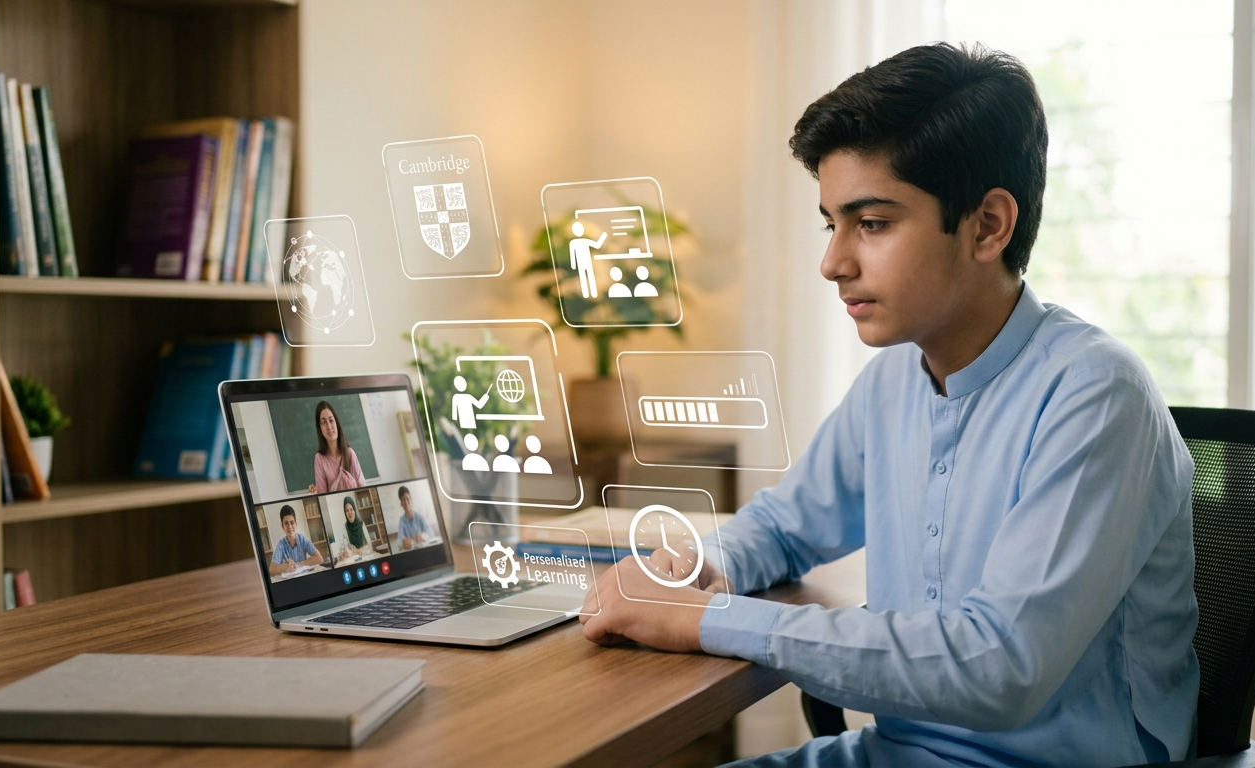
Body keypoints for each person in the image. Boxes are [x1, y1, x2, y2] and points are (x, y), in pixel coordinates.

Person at [578, 43, 1198, 768]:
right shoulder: (894, 380)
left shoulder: (1096, 393)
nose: (834, 262)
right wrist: (703, 563)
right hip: (894, 752)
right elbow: (785, 527)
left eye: (871, 223)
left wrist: (707, 619)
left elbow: (999, 668)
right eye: (830, 224)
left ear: (988, 226)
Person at [310, 401, 364, 494]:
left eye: (331, 420)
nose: (329, 426)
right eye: (323, 422)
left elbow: (363, 488)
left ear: (337, 423)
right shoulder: (320, 459)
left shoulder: (349, 454)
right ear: (320, 428)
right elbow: (322, 495)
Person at [269, 505, 323, 576]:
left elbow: (319, 559)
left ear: (296, 524)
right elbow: (271, 569)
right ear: (282, 526)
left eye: (292, 522)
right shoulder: (281, 544)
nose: (289, 527)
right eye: (286, 523)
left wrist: (297, 564)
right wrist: (286, 567)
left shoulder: (303, 539)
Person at [568, 221, 607, 299]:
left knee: (590, 277)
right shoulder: (573, 243)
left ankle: (593, 293)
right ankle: (588, 294)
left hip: (588, 263)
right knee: (584, 279)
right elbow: (572, 255)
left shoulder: (585, 241)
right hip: (581, 265)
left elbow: (597, 245)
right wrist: (573, 266)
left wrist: (603, 237)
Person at [395, 485, 432, 550]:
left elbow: (430, 533)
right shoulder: (402, 521)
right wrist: (404, 542)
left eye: (407, 499)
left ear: (411, 501)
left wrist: (423, 536)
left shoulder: (420, 516)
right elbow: (399, 541)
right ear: (401, 504)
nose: (406, 502)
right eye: (403, 500)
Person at [337, 496, 369, 560]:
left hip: (365, 557)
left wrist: (360, 551)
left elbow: (369, 545)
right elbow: (344, 547)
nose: (350, 513)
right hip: (353, 559)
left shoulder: (361, 524)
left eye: (351, 509)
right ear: (345, 513)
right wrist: (344, 554)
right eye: (347, 511)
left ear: (354, 510)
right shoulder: (345, 527)